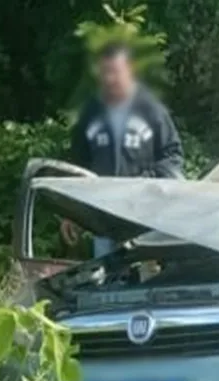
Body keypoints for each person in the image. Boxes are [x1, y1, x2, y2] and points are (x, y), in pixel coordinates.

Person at [61, 41, 184, 257]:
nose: (109, 79)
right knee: (108, 283)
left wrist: (145, 182)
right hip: (105, 222)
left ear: (130, 70)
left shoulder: (152, 111)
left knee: (146, 283)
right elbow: (77, 166)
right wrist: (72, 213)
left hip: (145, 219)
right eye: (104, 73)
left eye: (115, 72)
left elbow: (172, 157)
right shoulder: (90, 113)